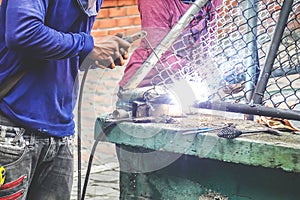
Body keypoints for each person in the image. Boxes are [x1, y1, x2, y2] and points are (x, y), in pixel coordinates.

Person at [0, 0, 131, 199]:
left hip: (61, 129)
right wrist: (88, 46)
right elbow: (23, 32)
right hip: (14, 124)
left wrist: (96, 55)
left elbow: (64, 46)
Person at [114, 0, 222, 199]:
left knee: (185, 182)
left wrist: (215, 78)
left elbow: (205, 49)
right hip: (145, 91)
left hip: (184, 90)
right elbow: (159, 52)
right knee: (142, 188)